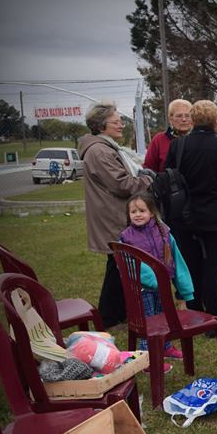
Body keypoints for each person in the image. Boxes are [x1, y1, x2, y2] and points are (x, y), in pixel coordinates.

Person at [164, 100, 217, 336]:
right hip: (215, 216)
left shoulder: (178, 146)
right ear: (215, 120)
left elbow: (167, 179)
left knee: (191, 267)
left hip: (183, 215)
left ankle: (195, 316)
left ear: (193, 119)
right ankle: (213, 319)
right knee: (212, 270)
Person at [79, 101, 154, 328]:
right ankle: (109, 317)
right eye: (116, 121)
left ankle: (118, 314)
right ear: (101, 125)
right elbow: (121, 184)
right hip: (112, 216)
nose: (121, 125)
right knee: (118, 266)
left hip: (112, 213)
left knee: (121, 266)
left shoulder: (106, 147)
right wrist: (147, 179)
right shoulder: (100, 151)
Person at [119, 192, 193, 362]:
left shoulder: (164, 233)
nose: (137, 215)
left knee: (163, 318)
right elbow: (127, 264)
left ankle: (166, 347)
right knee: (149, 322)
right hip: (141, 289)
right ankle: (147, 359)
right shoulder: (126, 237)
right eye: (133, 212)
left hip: (163, 286)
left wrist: (185, 290)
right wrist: (153, 278)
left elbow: (177, 261)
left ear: (152, 212)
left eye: (142, 210)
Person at [144, 99, 193, 173]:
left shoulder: (199, 140)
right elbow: (149, 170)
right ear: (170, 119)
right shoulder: (159, 140)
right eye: (179, 116)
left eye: (187, 116)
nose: (184, 119)